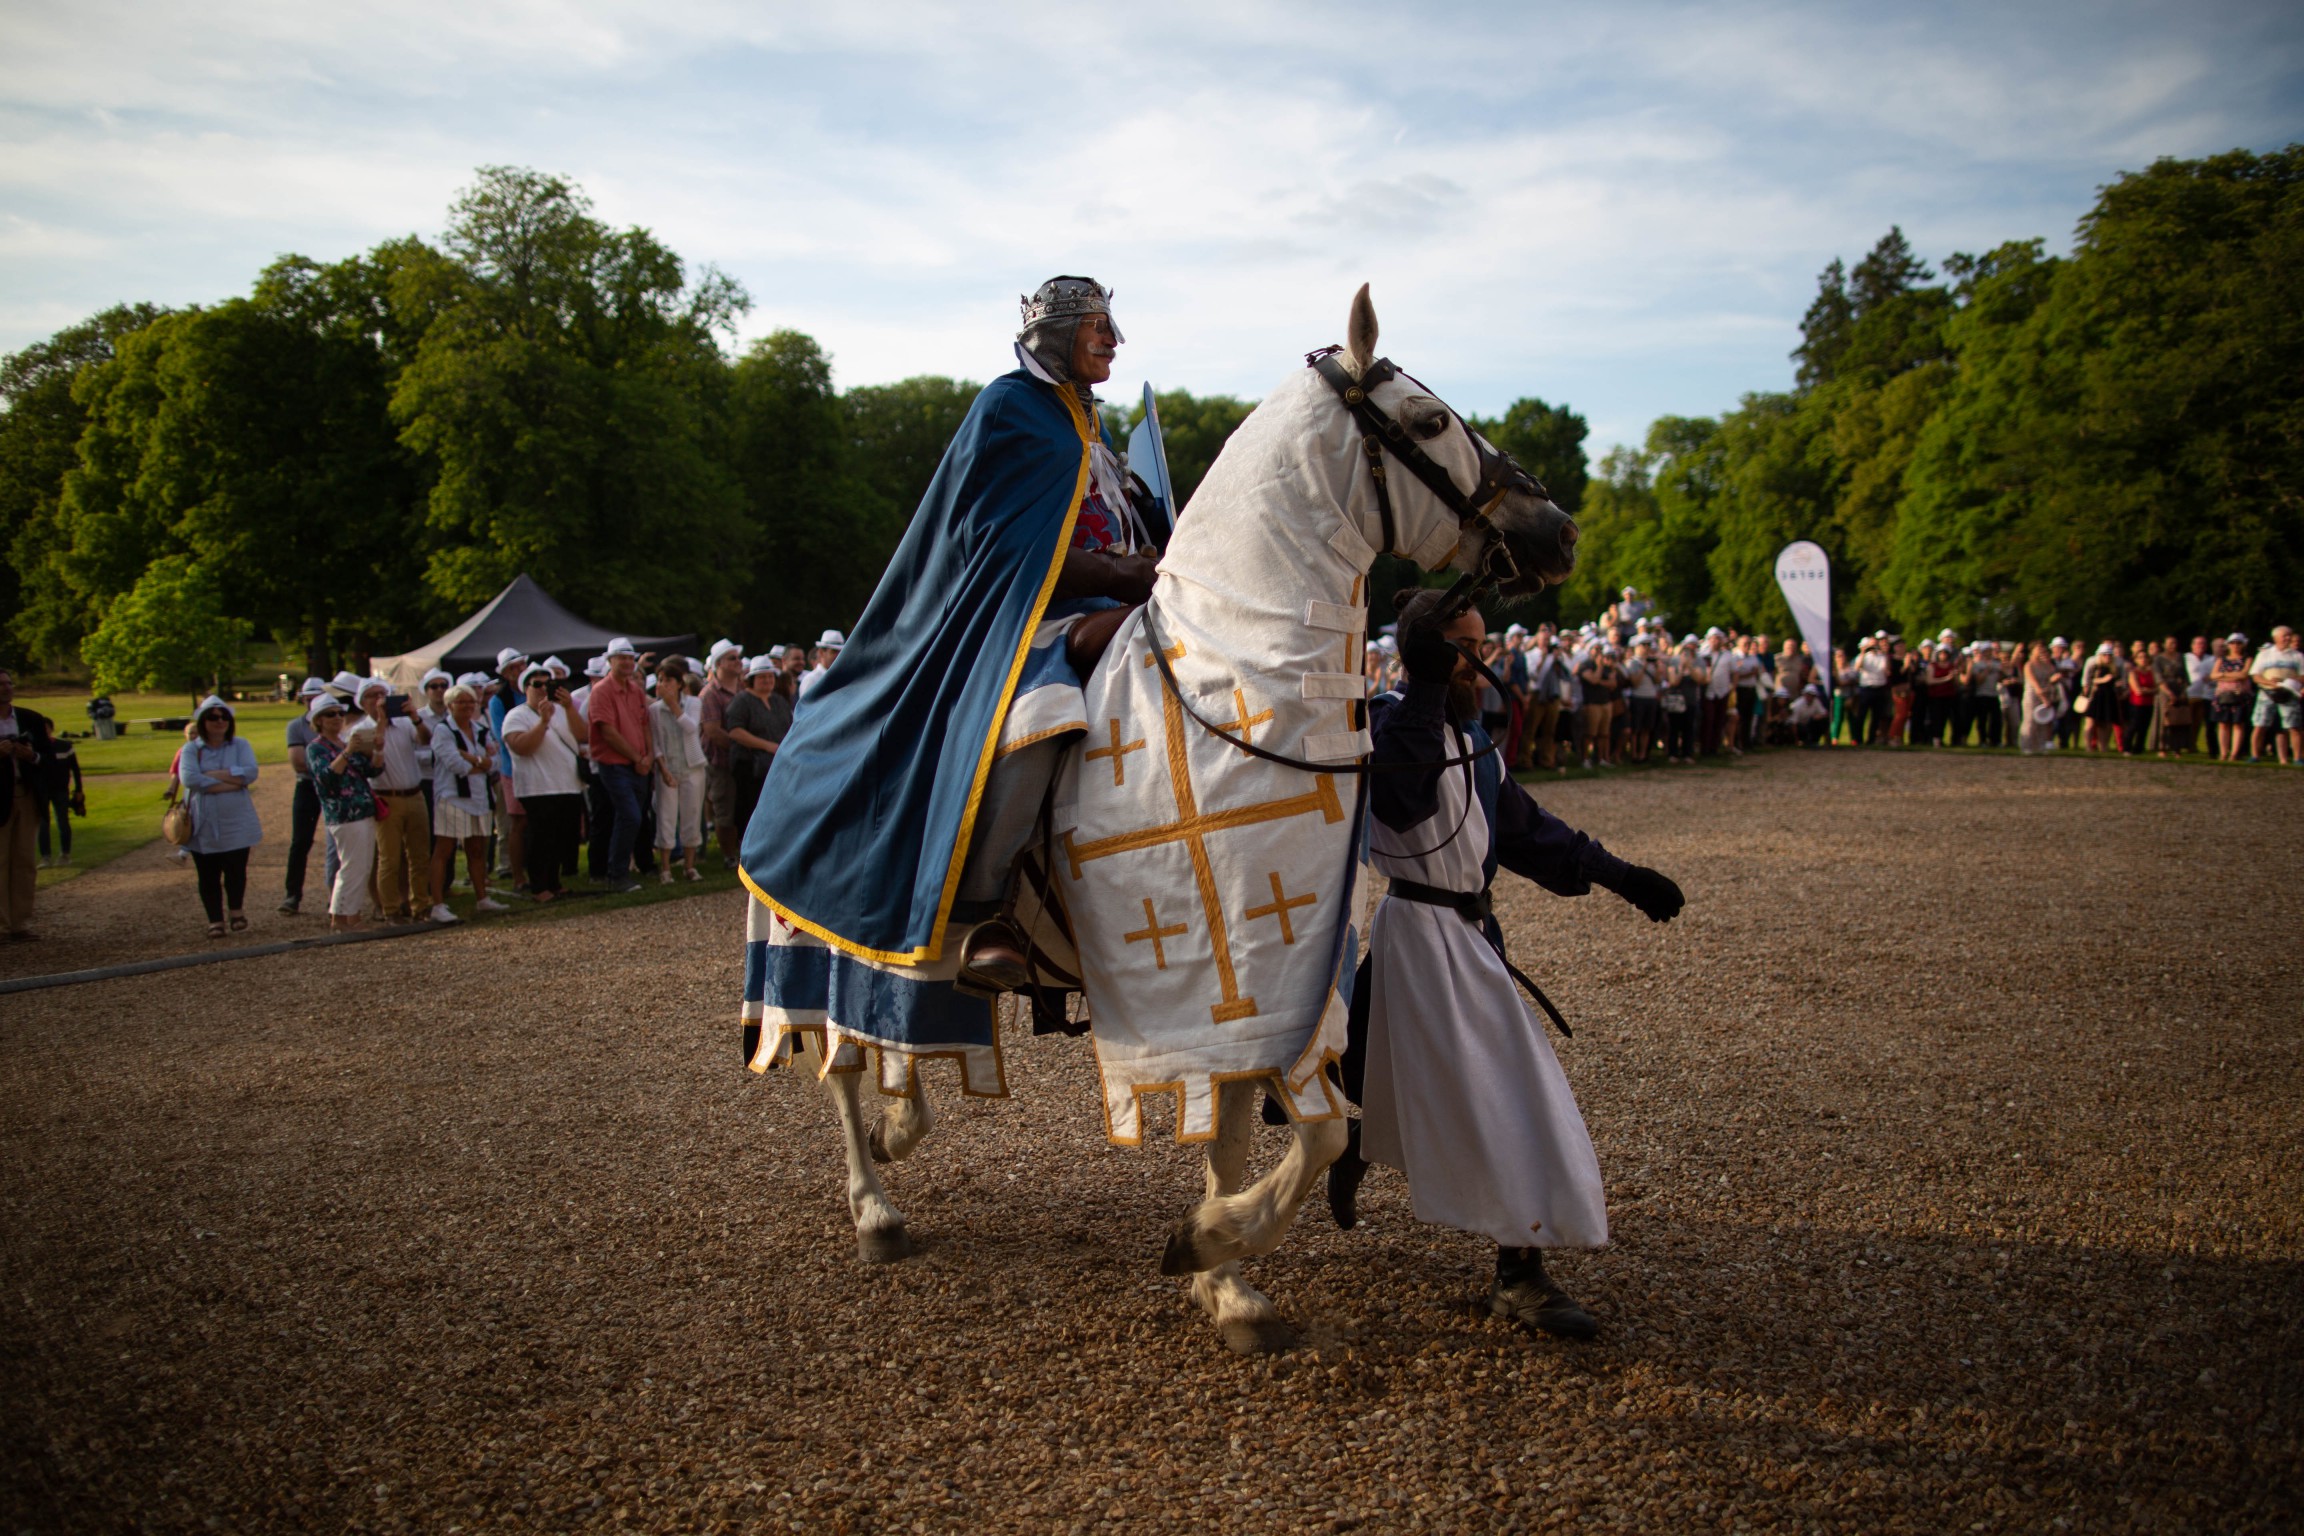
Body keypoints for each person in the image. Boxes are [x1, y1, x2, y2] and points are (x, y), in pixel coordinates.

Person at [742, 274, 1159, 1011]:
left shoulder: (1085, 421)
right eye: (1098, 325)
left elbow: (1108, 519)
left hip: (1116, 599)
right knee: (1041, 710)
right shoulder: (1008, 408)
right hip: (1027, 616)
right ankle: (985, 909)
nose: (1113, 340)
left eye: (1111, 326)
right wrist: (1123, 576)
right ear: (1055, 334)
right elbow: (1002, 543)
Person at [1324, 591, 1685, 1341]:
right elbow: (1400, 797)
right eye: (1461, 646)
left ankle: (1363, 1141)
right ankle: (1519, 1278)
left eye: (1480, 646)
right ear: (1426, 650)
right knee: (1512, 1099)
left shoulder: (1474, 738)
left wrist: (1622, 876)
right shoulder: (1391, 721)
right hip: (1419, 937)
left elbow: (1527, 829)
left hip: (1470, 937)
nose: (1478, 663)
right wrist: (1423, 684)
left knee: (1470, 1091)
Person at [501, 666, 589, 903]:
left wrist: (569, 706)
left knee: (562, 838)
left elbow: (583, 735)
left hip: (567, 784)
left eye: (547, 684)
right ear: (525, 688)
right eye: (537, 684)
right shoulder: (517, 715)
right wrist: (542, 722)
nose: (543, 689)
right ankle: (539, 886)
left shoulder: (563, 710)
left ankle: (554, 882)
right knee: (542, 838)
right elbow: (522, 747)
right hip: (538, 788)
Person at [178, 696, 263, 937]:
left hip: (236, 819)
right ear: (203, 721)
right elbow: (190, 779)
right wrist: (230, 780)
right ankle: (215, 919)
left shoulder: (240, 745)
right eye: (214, 717)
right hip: (203, 820)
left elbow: (250, 773)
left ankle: (236, 910)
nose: (220, 721)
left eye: (224, 716)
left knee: (236, 869)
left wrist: (212, 776)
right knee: (208, 873)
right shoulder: (191, 749)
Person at [355, 677, 437, 922]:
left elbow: (425, 738)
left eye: (383, 694)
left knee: (420, 854)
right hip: (386, 797)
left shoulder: (404, 724)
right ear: (362, 702)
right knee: (390, 858)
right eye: (372, 695)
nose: (379, 699)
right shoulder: (360, 731)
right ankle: (390, 908)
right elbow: (370, 763)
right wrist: (380, 722)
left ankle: (420, 904)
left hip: (414, 793)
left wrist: (414, 716)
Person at [428, 683, 506, 918]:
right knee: (444, 849)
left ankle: (482, 897)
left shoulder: (480, 728)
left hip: (479, 797)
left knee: (477, 849)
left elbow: (496, 762)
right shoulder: (443, 731)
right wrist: (481, 762)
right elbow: (455, 766)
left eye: (470, 702)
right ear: (450, 705)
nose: (467, 706)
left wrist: (473, 759)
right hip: (453, 797)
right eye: (461, 702)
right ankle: (438, 904)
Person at [584, 638, 654, 892]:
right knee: (629, 816)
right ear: (610, 661)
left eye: (629, 657)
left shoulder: (635, 691)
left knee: (633, 817)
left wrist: (648, 756)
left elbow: (644, 723)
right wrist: (639, 758)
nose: (626, 662)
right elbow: (608, 732)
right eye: (621, 657)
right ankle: (616, 873)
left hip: (638, 764)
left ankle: (618, 870)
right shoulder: (601, 691)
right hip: (615, 764)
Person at [306, 695, 378, 932]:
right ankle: (341, 916)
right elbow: (326, 778)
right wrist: (347, 752)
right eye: (330, 714)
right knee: (351, 866)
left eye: (340, 713)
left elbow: (371, 770)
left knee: (363, 865)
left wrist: (377, 749)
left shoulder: (345, 742)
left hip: (363, 809)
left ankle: (351, 914)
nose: (337, 718)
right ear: (319, 720)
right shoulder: (316, 747)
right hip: (344, 814)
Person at [0, 668, 59, 941]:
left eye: (9, 683)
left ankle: (19, 924)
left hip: (26, 795)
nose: (7, 688)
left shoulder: (30, 719)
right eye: (1, 684)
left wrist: (31, 755)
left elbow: (50, 760)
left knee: (24, 861)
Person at [650, 664, 710, 883]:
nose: (663, 685)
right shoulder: (654, 710)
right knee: (666, 817)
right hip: (669, 768)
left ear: (678, 684)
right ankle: (665, 868)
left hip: (692, 766)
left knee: (692, 814)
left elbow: (691, 727)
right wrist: (663, 769)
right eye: (660, 680)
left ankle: (690, 865)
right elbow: (655, 742)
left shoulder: (693, 703)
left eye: (667, 680)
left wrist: (673, 705)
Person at [278, 677, 327, 912]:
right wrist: (328, 765)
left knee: (338, 842)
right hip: (308, 786)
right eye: (308, 699)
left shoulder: (335, 720)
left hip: (332, 786)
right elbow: (298, 763)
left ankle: (337, 895)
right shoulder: (296, 726)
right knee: (300, 841)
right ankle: (292, 894)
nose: (312, 703)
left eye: (316, 697)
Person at [696, 640, 745, 869]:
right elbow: (712, 731)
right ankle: (728, 855)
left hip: (744, 761)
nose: (738, 662)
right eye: (732, 658)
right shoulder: (710, 694)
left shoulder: (745, 688)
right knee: (724, 808)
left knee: (744, 807)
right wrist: (741, 746)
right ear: (718, 664)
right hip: (722, 761)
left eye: (738, 658)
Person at [489, 646, 529, 891]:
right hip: (512, 767)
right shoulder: (498, 700)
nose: (517, 671)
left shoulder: (533, 691)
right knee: (517, 822)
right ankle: (517, 876)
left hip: (535, 763)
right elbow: (501, 733)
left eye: (519, 666)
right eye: (511, 668)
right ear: (505, 673)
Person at [2250, 625, 2303, 766]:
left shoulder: (2297, 655)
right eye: (2284, 635)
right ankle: (2255, 755)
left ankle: (2297, 758)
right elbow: (2255, 675)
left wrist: (2286, 681)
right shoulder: (2264, 654)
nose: (2287, 638)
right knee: (2260, 725)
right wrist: (2269, 683)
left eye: (2289, 635)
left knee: (2294, 726)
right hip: (2267, 693)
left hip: (2288, 693)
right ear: (2275, 637)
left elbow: (2303, 676)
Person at [34, 729, 81, 868]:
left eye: (46, 728)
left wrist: (79, 789)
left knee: (63, 821)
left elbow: (75, 769)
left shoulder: (64, 746)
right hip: (41, 790)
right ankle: (45, 857)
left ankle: (65, 854)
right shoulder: (34, 747)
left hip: (60, 790)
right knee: (43, 823)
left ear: (51, 729)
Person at [2211, 636, 2255, 761]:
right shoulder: (2221, 660)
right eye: (2232, 643)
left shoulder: (2247, 659)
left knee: (2238, 724)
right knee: (2223, 724)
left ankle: (2234, 753)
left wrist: (2223, 675)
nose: (2235, 645)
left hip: (2240, 695)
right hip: (2222, 695)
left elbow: (2244, 674)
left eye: (2238, 643)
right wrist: (2232, 676)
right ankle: (2223, 753)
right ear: (2228, 645)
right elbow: (2213, 675)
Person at [2080, 642, 2123, 753]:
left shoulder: (2114, 668)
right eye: (2104, 655)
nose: (2107, 657)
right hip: (2096, 697)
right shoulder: (2095, 667)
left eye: (2109, 655)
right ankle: (2088, 747)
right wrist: (2103, 680)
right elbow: (2089, 680)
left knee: (2105, 724)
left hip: (2108, 697)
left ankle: (2103, 746)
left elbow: (2119, 681)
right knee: (2090, 723)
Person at [2020, 642, 2061, 755]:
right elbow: (2035, 685)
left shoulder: (2048, 665)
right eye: (2039, 648)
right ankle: (2026, 746)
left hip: (2046, 694)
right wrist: (2044, 699)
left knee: (2043, 722)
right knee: (2030, 721)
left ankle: (2041, 746)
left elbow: (2052, 680)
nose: (2042, 650)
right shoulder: (2029, 665)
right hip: (2032, 696)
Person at [799, 630, 845, 697]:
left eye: (841, 652)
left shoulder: (841, 678)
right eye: (834, 651)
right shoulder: (811, 679)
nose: (838, 655)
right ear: (821, 652)